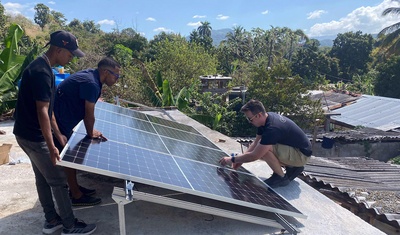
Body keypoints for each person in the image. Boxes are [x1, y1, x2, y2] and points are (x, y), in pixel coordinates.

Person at [13, 30, 96, 234]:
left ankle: (51, 221)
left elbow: (47, 109)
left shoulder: (44, 67)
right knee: (59, 180)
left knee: (42, 179)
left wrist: (58, 134)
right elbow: (41, 111)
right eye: (70, 54)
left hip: (24, 133)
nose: (71, 58)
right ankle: (69, 225)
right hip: (34, 136)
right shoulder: (41, 72)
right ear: (58, 49)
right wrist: (51, 147)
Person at [54, 57, 121, 206]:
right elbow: (88, 114)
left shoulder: (92, 77)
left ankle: (75, 188)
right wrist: (91, 132)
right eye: (115, 75)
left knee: (72, 157)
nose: (117, 79)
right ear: (105, 72)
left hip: (64, 119)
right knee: (69, 158)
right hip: (58, 123)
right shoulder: (91, 83)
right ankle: (76, 196)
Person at [219, 99, 312, 188]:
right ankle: (292, 167)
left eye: (250, 119)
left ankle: (280, 177)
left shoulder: (272, 129)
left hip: (301, 155)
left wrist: (232, 159)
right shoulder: (266, 120)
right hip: (295, 150)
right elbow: (255, 143)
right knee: (260, 146)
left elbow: (254, 156)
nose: (250, 122)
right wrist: (240, 160)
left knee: (264, 150)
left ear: (259, 115)